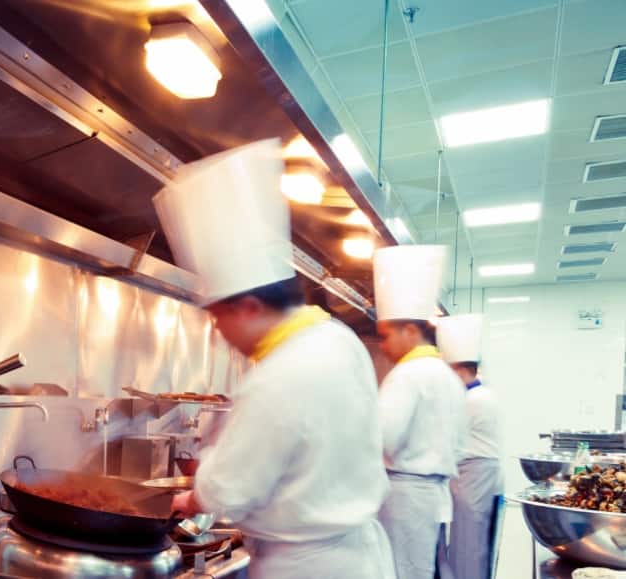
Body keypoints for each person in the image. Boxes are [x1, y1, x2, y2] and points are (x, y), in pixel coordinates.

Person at [157, 139, 394, 579]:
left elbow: (228, 490)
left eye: (217, 317)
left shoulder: (279, 376)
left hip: (305, 567)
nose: (218, 332)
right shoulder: (337, 339)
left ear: (248, 307)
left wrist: (194, 496)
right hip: (355, 555)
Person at [372, 245, 468, 579]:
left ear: (410, 331)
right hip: (433, 496)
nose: (383, 345)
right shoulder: (447, 376)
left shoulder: (408, 374)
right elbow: (461, 444)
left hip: (404, 497)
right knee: (423, 570)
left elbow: (380, 438)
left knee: (401, 572)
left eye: (386, 336)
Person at [439, 313, 501, 579]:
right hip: (475, 476)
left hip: (473, 477)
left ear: (458, 370)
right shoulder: (481, 394)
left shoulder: (473, 399)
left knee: (468, 546)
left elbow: (448, 441)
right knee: (469, 543)